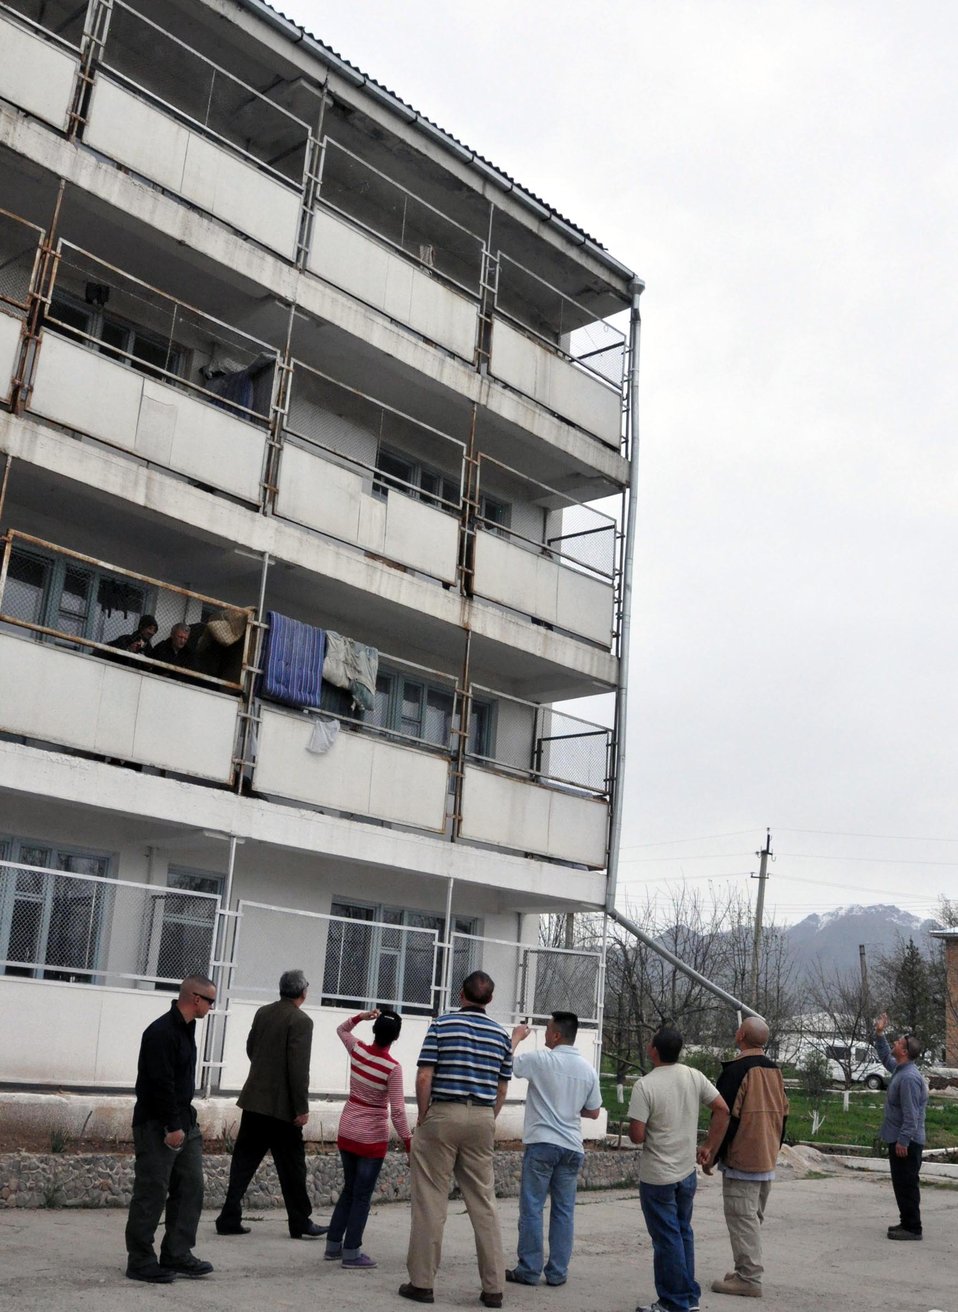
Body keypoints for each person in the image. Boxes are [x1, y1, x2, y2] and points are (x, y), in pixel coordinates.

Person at [399, 970, 513, 1309]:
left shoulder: (441, 1026)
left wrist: (423, 1115)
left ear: (460, 994)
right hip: (481, 1117)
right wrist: (487, 1118)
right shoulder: (501, 1036)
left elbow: (424, 1075)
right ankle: (493, 1288)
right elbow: (503, 1087)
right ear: (489, 999)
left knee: (430, 1200)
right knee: (484, 1202)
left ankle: (422, 1284)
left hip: (442, 1115)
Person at [216, 969, 326, 1240]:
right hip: (282, 1108)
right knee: (292, 1167)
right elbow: (298, 1068)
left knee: (243, 1161)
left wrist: (265, 1072)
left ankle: (229, 1216)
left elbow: (251, 1047)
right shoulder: (301, 1021)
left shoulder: (263, 1012)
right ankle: (300, 1221)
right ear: (302, 991)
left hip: (255, 1101)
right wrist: (301, 1107)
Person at [628, 1026, 730, 1312]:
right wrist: (709, 1145)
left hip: (657, 1175)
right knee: (683, 1232)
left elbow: (637, 1135)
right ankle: (688, 1297)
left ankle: (672, 1302)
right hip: (686, 1172)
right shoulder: (693, 1076)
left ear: (654, 1050)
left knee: (666, 1239)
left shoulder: (645, 1085)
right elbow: (722, 1109)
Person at [124, 974, 216, 1283]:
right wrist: (171, 1125)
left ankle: (177, 1253)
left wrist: (185, 1124)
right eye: (210, 1001)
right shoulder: (161, 1033)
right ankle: (140, 1260)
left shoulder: (186, 1030)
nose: (212, 1008)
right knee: (152, 1191)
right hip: (158, 1124)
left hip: (184, 1123)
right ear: (195, 998)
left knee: (191, 1187)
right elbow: (159, 1084)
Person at [507, 1011, 602, 1288]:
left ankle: (529, 1269)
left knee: (533, 1208)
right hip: (572, 1146)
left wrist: (515, 1038)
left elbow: (508, 1064)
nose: (545, 1033)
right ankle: (557, 1272)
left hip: (542, 1143)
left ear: (557, 1035)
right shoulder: (587, 1069)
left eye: (548, 1029)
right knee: (563, 1211)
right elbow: (594, 1111)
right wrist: (570, 1108)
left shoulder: (541, 1059)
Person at [705, 1016, 788, 1298]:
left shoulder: (738, 1070)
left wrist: (711, 1154)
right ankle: (743, 1269)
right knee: (751, 1218)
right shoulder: (775, 1070)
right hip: (766, 1155)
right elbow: (784, 1114)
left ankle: (749, 1278)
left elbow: (725, 1116)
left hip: (744, 1158)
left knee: (742, 1219)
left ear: (741, 1034)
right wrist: (774, 1148)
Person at [325, 1007, 411, 1268]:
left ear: (374, 1030)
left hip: (347, 1129)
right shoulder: (392, 1069)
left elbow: (341, 1030)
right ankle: (352, 1252)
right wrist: (409, 1142)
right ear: (395, 1038)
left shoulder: (358, 1050)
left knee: (349, 1190)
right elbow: (397, 1111)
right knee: (362, 1196)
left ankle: (333, 1245)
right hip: (371, 1139)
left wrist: (361, 1017)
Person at [874, 1010, 928, 1239]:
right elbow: (887, 1057)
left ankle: (913, 1228)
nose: (895, 1043)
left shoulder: (908, 1078)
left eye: (898, 1042)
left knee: (906, 1185)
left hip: (906, 1141)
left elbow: (912, 1115)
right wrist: (879, 1034)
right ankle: (906, 1221)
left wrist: (903, 1141)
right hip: (899, 1138)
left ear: (904, 1052)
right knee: (902, 1183)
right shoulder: (901, 1069)